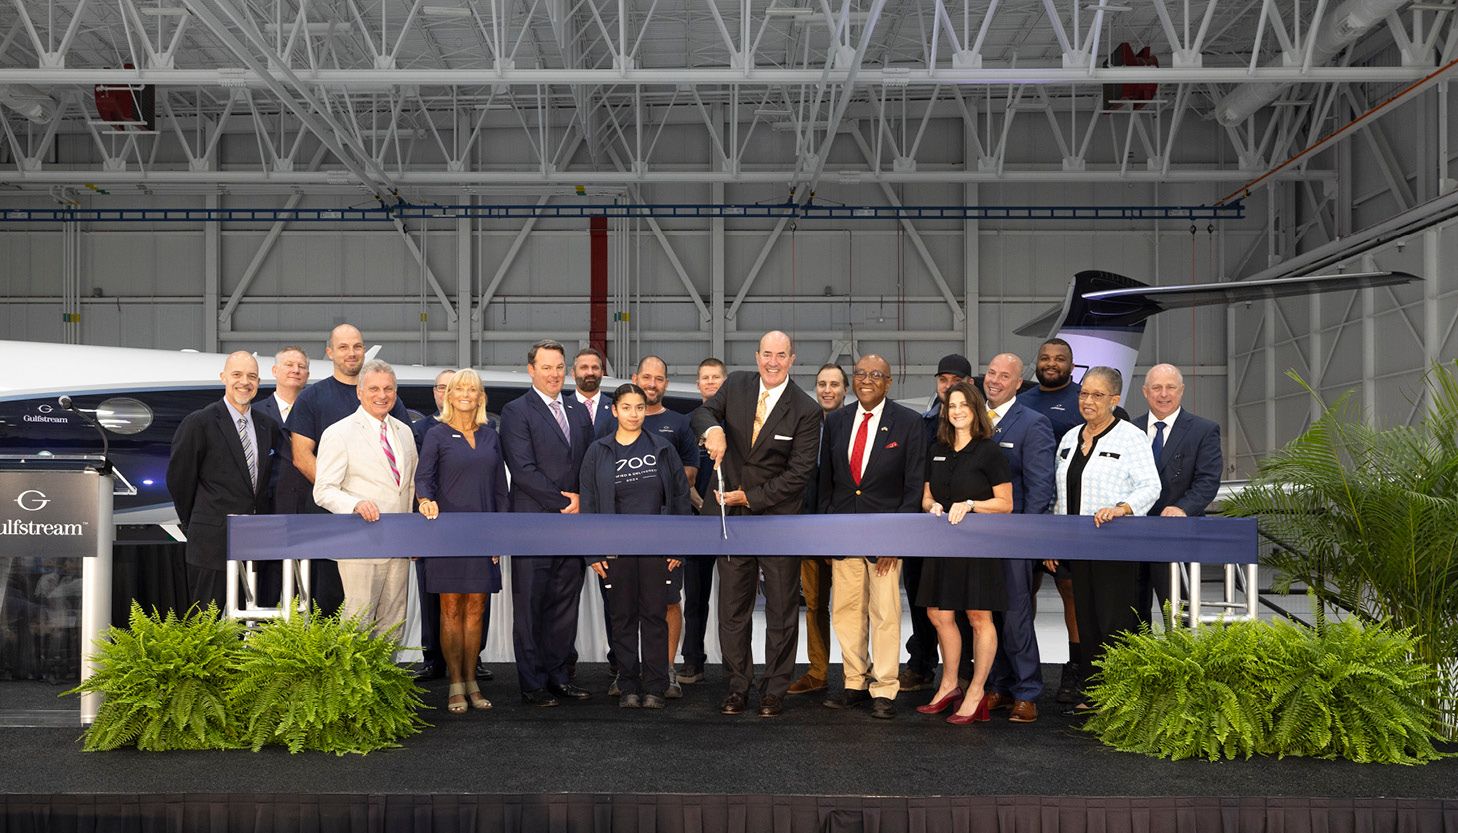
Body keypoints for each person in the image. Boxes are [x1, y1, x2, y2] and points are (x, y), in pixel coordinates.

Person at [691, 331, 821, 718]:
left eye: (781, 355)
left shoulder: (805, 409)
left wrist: (751, 496)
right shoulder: (736, 385)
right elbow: (704, 412)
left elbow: (799, 473)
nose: (773, 361)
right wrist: (712, 430)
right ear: (757, 355)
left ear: (792, 359)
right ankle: (737, 686)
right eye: (767, 354)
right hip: (730, 519)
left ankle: (774, 688)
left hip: (776, 519)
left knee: (781, 609)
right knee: (733, 608)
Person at [1047, 365, 1161, 711]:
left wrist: (1123, 508)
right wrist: (1052, 540)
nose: (1088, 401)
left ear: (1115, 399)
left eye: (1097, 395)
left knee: (1114, 620)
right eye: (1084, 393)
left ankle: (1122, 696)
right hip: (1076, 547)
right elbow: (1059, 495)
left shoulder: (1131, 437)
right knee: (1087, 619)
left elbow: (1150, 486)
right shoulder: (1069, 438)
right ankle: (1094, 691)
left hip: (1115, 546)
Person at [817, 355, 925, 720]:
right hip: (844, 532)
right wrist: (828, 532)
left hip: (886, 539)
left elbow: (913, 487)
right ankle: (853, 682)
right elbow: (826, 481)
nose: (866, 380)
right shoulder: (836, 421)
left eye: (875, 375)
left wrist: (898, 539)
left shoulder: (909, 423)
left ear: (889, 382)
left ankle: (885, 688)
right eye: (860, 374)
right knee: (846, 612)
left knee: (885, 614)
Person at [582, 383, 694, 709]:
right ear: (614, 411)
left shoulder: (663, 449)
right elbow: (588, 502)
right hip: (615, 549)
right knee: (622, 617)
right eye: (627, 407)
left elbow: (680, 499)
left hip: (657, 548)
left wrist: (678, 548)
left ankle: (656, 687)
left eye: (640, 408)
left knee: (655, 617)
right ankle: (628, 685)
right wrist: (594, 553)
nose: (634, 414)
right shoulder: (598, 451)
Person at [286, 324, 410, 615]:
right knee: (337, 610)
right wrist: (350, 500)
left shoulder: (392, 408)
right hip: (334, 524)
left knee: (389, 615)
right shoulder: (312, 398)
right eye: (343, 347)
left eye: (357, 346)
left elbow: (403, 469)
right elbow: (302, 457)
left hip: (387, 530)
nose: (351, 353)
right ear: (329, 352)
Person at [498, 338, 595, 707]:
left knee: (564, 605)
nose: (553, 374)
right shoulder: (515, 411)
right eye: (546, 367)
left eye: (558, 367)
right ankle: (532, 683)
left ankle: (559, 677)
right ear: (531, 370)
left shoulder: (577, 409)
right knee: (530, 607)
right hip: (534, 525)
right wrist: (564, 502)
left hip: (573, 528)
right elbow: (522, 471)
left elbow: (588, 462)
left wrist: (583, 499)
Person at [916, 381, 1013, 725]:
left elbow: (1006, 504)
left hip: (977, 547)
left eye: (964, 405)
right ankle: (949, 684)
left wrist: (971, 504)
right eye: (951, 405)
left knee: (978, 617)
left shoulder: (989, 451)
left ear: (976, 410)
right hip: (942, 544)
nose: (956, 411)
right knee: (939, 615)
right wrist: (931, 506)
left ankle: (977, 690)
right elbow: (927, 495)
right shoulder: (937, 448)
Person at [415, 369, 507, 714]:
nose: (466, 394)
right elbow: (423, 479)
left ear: (480, 397)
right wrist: (424, 500)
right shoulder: (437, 435)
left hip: (484, 533)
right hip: (446, 533)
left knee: (476, 610)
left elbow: (501, 488)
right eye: (459, 389)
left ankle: (472, 680)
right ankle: (455, 683)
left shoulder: (491, 437)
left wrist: (500, 535)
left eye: (473, 389)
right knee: (450, 610)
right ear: (448, 396)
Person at [166, 351, 280, 609]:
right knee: (208, 625)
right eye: (237, 375)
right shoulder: (199, 422)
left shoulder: (266, 426)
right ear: (223, 378)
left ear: (259, 383)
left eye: (251, 376)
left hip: (256, 543)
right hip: (211, 543)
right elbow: (179, 481)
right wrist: (198, 521)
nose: (244, 382)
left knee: (249, 623)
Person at [312, 359, 418, 638]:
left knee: (393, 624)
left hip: (399, 545)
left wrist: (414, 536)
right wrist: (354, 505)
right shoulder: (338, 432)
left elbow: (408, 488)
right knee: (358, 623)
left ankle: (384, 682)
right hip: (360, 544)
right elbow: (323, 489)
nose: (382, 395)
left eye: (388, 389)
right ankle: (355, 683)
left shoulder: (405, 433)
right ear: (359, 392)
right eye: (374, 389)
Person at [979, 353, 1056, 724]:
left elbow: (1041, 487)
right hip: (977, 535)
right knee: (987, 615)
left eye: (1004, 376)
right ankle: (998, 685)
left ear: (1018, 383)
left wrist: (1028, 535)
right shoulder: (974, 419)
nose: (994, 380)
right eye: (991, 372)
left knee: (1016, 616)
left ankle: (1027, 692)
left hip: (1015, 536)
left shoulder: (1033, 423)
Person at [626, 356, 699, 698]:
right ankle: (626, 673)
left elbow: (687, 478)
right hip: (625, 532)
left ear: (666, 383)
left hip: (667, 529)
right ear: (634, 378)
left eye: (659, 378)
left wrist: (642, 484)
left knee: (669, 602)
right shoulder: (614, 427)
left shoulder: (680, 424)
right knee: (627, 605)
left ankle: (666, 670)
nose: (652, 383)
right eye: (646, 377)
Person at [901, 353, 973, 693]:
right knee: (921, 599)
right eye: (942, 380)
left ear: (969, 385)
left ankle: (962, 669)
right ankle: (922, 663)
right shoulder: (921, 423)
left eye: (955, 380)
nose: (947, 386)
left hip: (964, 529)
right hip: (924, 525)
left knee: (961, 606)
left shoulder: (978, 426)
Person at [1017, 337, 1083, 703]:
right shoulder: (1022, 404)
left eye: (1060, 359)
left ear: (1071, 366)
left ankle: (1074, 670)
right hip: (1027, 514)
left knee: (1070, 591)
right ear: (1037, 362)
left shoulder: (1082, 401)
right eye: (1045, 357)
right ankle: (1025, 668)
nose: (1051, 363)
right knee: (1022, 594)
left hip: (1065, 517)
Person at [1132, 364, 1222, 620]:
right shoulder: (1128, 429)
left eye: (1170, 387)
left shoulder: (1204, 430)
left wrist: (1182, 508)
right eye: (1156, 388)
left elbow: (1207, 480)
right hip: (1133, 535)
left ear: (1181, 391)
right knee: (1131, 615)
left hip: (1177, 535)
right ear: (1145, 392)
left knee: (1178, 614)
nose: (1163, 394)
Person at [788, 362, 848, 697]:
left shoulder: (852, 425)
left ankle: (859, 672)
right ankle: (817, 671)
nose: (827, 390)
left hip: (844, 529)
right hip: (808, 528)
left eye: (834, 384)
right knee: (814, 605)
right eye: (822, 384)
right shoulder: (804, 424)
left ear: (845, 390)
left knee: (854, 607)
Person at [247, 345, 309, 607]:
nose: (296, 370)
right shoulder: (255, 412)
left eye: (302, 366)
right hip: (268, 512)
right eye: (289, 365)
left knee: (306, 592)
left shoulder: (314, 411)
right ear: (274, 371)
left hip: (308, 510)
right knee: (266, 592)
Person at [679, 356, 726, 685]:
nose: (710, 382)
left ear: (725, 383)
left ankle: (736, 666)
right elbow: (677, 472)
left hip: (731, 521)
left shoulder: (736, 425)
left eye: (716, 377)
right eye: (705, 378)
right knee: (695, 597)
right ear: (698, 384)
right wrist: (696, 499)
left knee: (735, 599)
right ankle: (693, 661)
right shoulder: (686, 424)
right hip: (696, 522)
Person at [407, 368, 456, 682]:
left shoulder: (484, 427)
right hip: (427, 522)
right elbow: (414, 478)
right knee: (429, 593)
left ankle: (471, 658)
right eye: (441, 387)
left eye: (453, 387)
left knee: (472, 594)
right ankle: (432, 658)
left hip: (466, 520)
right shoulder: (418, 429)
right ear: (435, 393)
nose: (447, 393)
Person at [572, 347, 615, 435]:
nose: (590, 372)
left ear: (602, 373)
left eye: (595, 367)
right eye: (584, 367)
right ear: (573, 373)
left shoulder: (616, 408)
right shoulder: (562, 408)